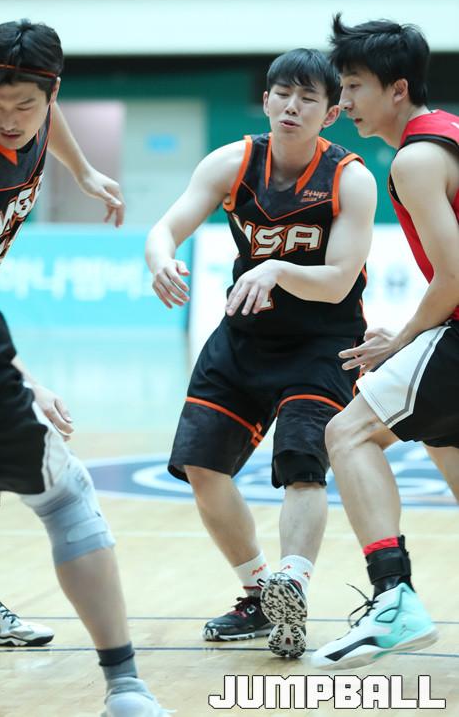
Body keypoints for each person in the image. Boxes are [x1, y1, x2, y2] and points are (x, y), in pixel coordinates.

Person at [0, 19, 168, 716]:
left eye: (25, 105)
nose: (9, 120)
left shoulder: (36, 112)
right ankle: (124, 685)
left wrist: (83, 172)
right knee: (54, 488)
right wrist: (26, 378)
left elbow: (47, 123)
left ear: (51, 92)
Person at [145, 49, 376, 659]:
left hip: (323, 342)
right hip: (244, 335)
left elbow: (339, 279)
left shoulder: (350, 178)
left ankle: (292, 582)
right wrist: (161, 258)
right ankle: (259, 594)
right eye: (283, 94)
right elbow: (165, 228)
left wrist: (275, 268)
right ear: (267, 100)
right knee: (200, 465)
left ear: (330, 113)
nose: (292, 106)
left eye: (308, 98)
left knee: (302, 464)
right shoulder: (234, 162)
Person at [312, 14, 459, 670]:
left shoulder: (416, 159)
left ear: (397, 89)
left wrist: (401, 340)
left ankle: (393, 600)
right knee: (443, 438)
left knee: (346, 434)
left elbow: (455, 277)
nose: (343, 102)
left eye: (353, 87)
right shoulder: (448, 132)